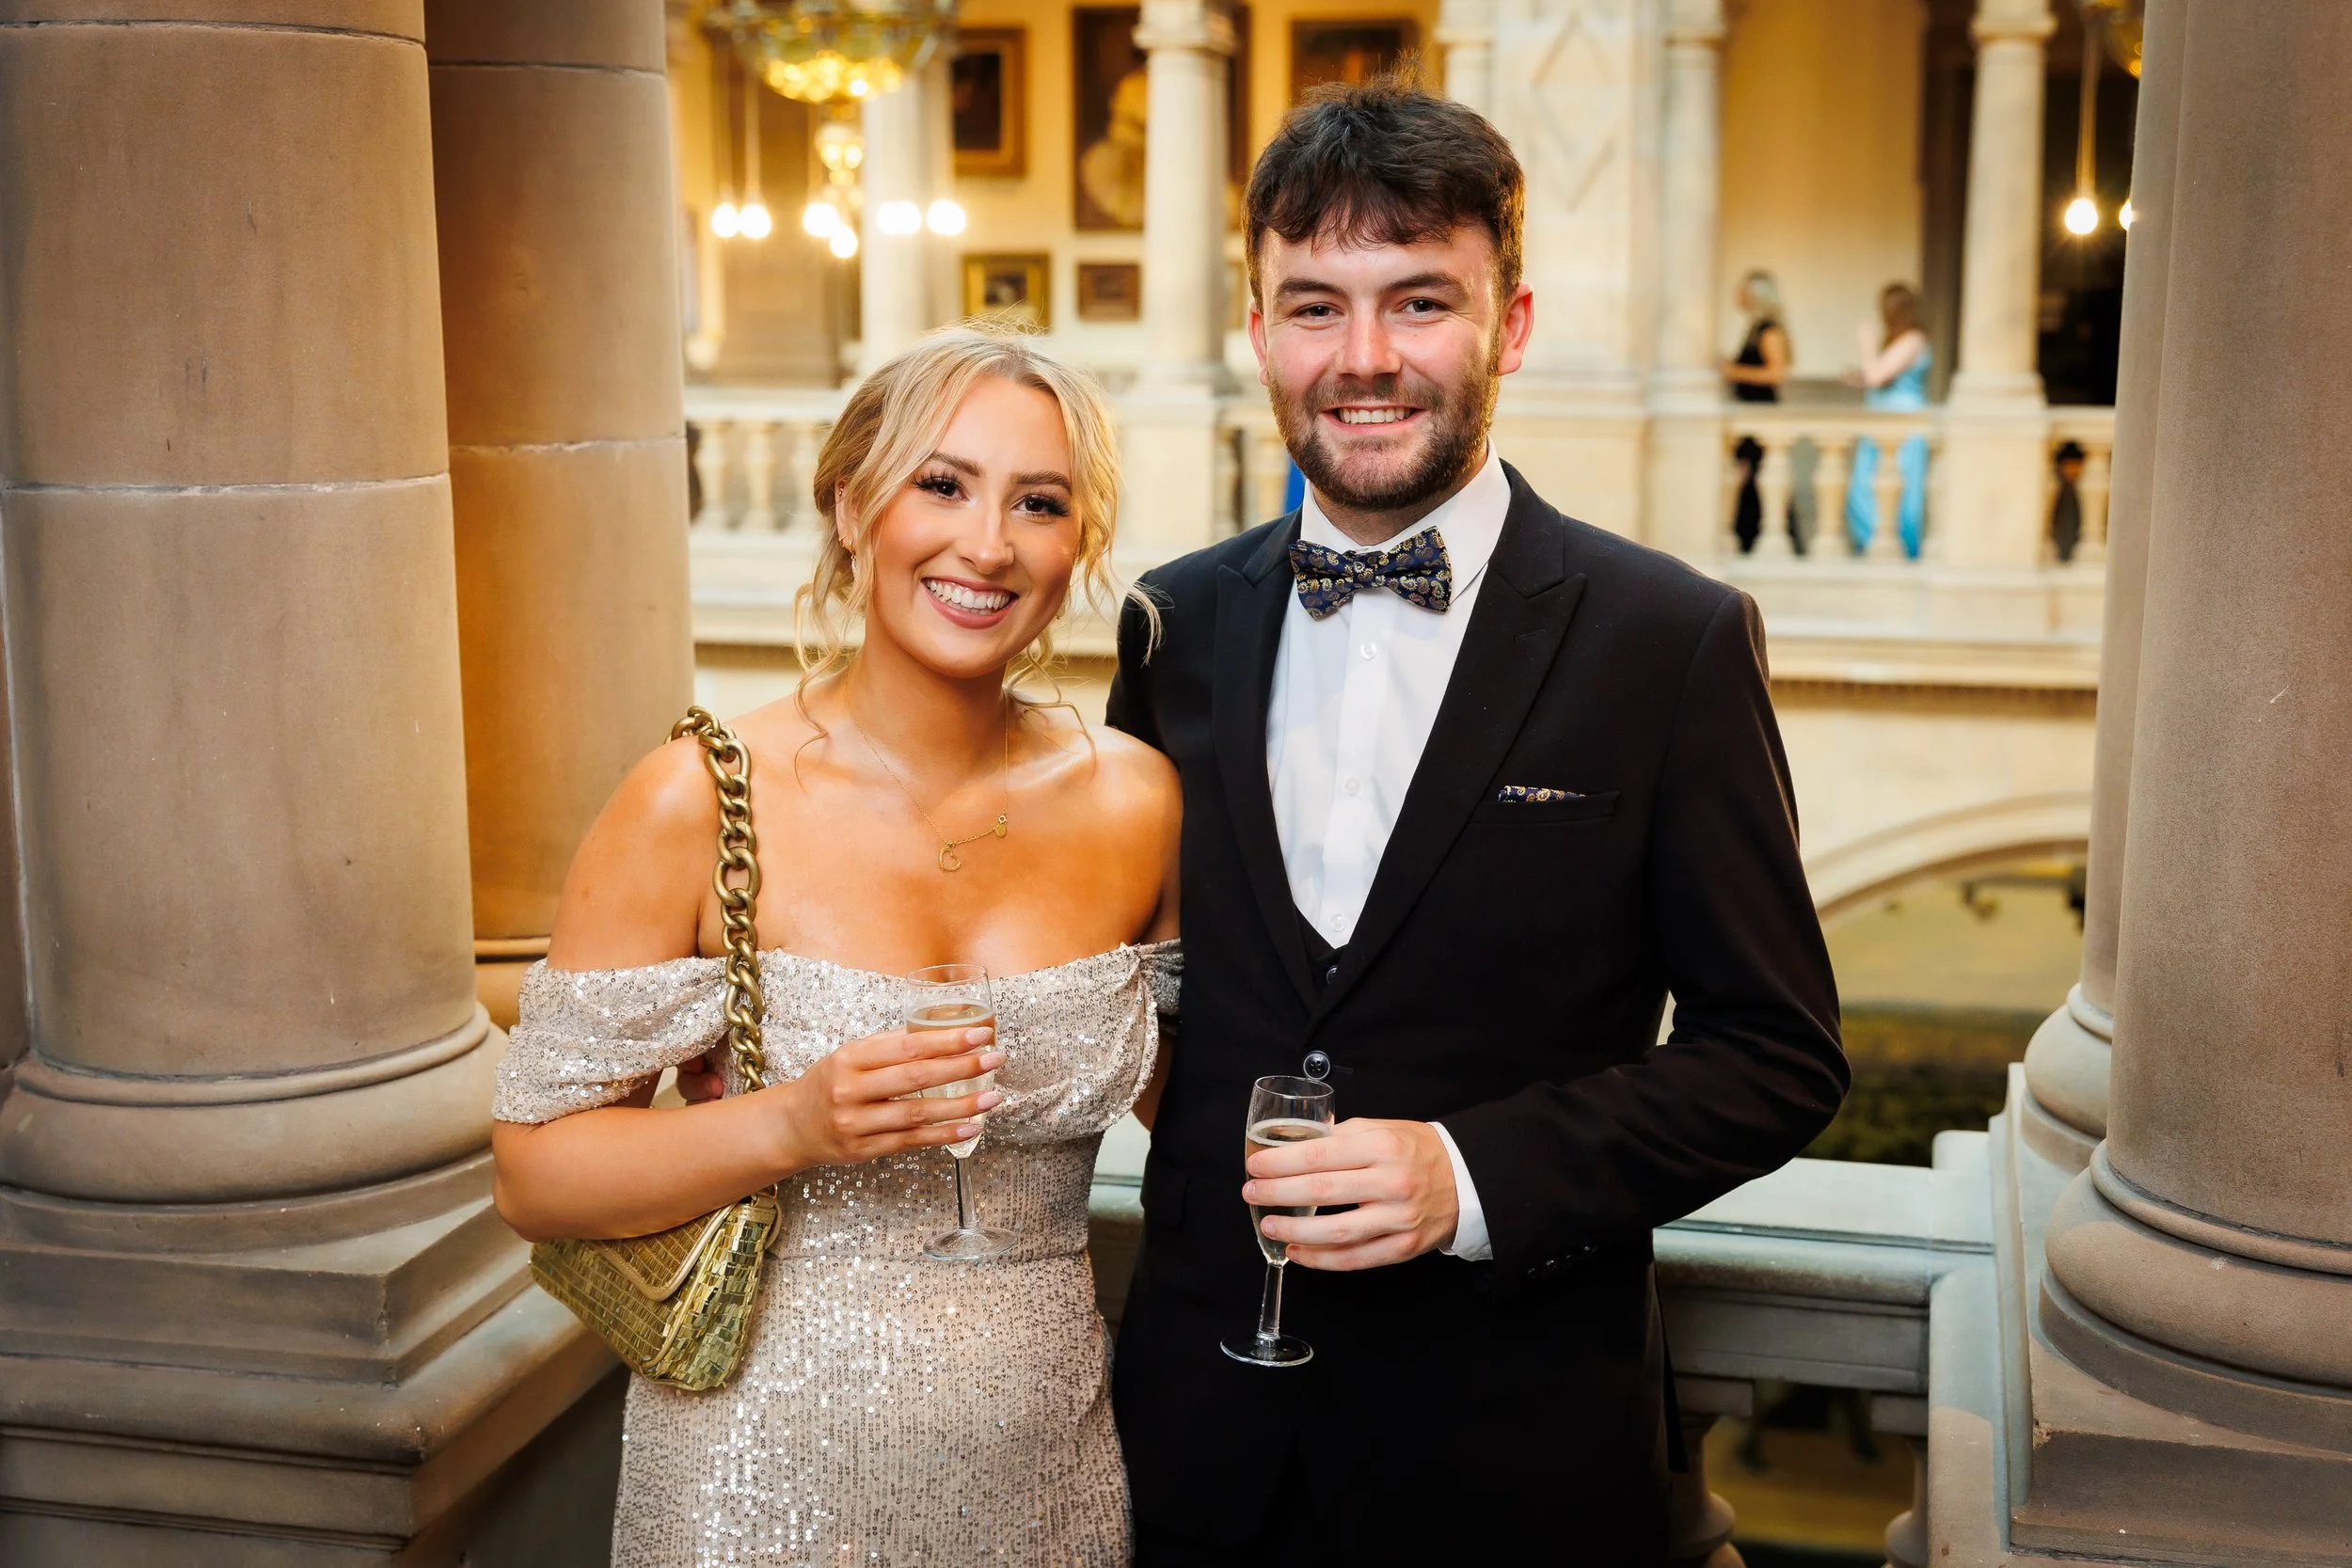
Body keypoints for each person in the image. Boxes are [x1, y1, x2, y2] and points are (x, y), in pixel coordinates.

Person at [1104, 84, 1847, 1565]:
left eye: (1419, 300)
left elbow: (1776, 1053)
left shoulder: (1669, 639)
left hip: (1520, 1458)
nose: (1364, 358)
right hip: (1197, 1440)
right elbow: (1134, 977)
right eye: (1314, 305)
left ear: (1509, 324)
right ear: (1259, 329)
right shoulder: (1167, 622)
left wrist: (1472, 1173)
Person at [489, 325, 1183, 1565]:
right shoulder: (695, 796)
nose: (988, 543)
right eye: (942, 483)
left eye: (1039, 501)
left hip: (1045, 1460)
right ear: (852, 504)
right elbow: (536, 1171)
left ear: (1075, 543)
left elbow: (1205, 1110)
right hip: (755, 1470)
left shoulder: (1140, 801)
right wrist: (793, 1122)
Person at [1842, 282, 1931, 557]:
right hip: (1880, 427)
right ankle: (1869, 546)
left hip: (1902, 428)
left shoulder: (1914, 339)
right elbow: (1878, 376)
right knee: (1863, 491)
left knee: (1896, 494)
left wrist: (1866, 345)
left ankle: (1896, 550)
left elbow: (1877, 375)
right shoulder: (1896, 340)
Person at [1723, 269, 1793, 552]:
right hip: (1748, 412)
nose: (1737, 295)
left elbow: (1777, 374)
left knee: (1756, 479)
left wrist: (1731, 370)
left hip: (1761, 413)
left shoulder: (1769, 329)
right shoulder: (1755, 328)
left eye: (1743, 289)